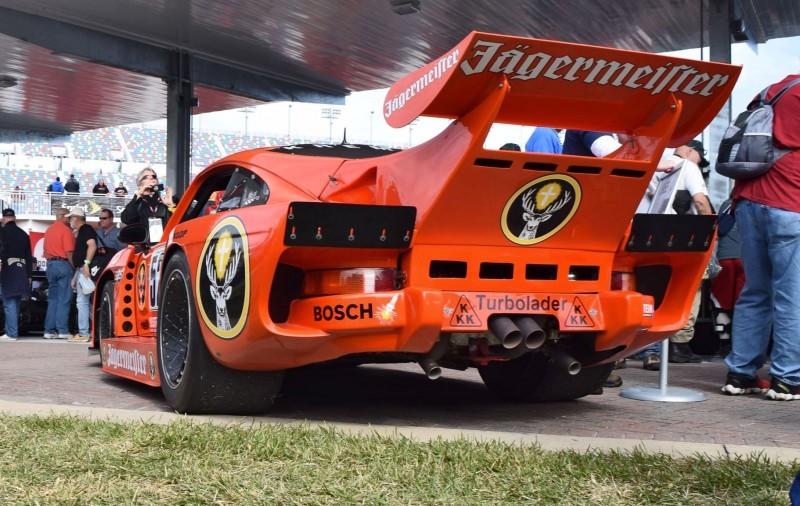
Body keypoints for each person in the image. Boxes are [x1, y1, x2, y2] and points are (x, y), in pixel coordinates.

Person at [723, 73, 800, 401]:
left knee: (755, 292)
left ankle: (740, 375)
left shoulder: (772, 90)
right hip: (789, 201)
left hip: (749, 201)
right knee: (791, 294)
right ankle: (787, 378)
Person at [710, 198, 743, 359]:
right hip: (747, 259)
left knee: (721, 303)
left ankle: (724, 343)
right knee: (745, 304)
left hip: (723, 258)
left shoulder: (726, 204)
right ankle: (742, 345)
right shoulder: (755, 204)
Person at [42, 208, 75, 339]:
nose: (70, 220)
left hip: (50, 265)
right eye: (69, 217)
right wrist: (74, 267)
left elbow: (45, 250)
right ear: (62, 216)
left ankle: (48, 331)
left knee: (53, 300)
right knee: (64, 299)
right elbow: (69, 252)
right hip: (63, 264)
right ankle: (62, 330)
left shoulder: (48, 230)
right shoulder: (66, 230)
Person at [121, 167, 178, 241]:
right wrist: (138, 196)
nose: (151, 179)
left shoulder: (168, 200)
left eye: (154, 177)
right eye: (146, 177)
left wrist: (171, 205)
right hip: (145, 247)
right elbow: (126, 219)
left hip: (166, 245)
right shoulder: (137, 202)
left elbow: (183, 221)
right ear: (139, 184)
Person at [0, 209, 31, 341]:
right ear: (15, 218)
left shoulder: (2, 232)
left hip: (7, 268)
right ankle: (11, 331)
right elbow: (29, 256)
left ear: (3, 218)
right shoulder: (24, 234)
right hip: (21, 268)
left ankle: (11, 333)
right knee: (16, 301)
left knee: (9, 301)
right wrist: (29, 274)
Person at [66, 208, 96, 343]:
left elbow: (92, 245)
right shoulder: (83, 231)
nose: (70, 220)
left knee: (82, 302)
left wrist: (86, 264)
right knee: (85, 303)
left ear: (76, 218)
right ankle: (97, 327)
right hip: (81, 270)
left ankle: (84, 333)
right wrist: (76, 274)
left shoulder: (86, 229)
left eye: (70, 217)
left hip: (84, 270)